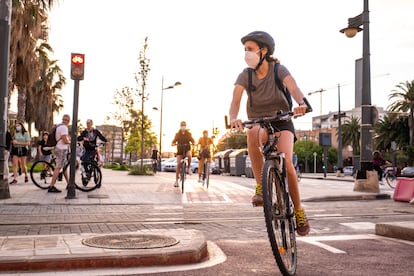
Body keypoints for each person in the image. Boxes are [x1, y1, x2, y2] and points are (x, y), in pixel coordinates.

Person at [229, 31, 311, 236]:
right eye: (245, 49)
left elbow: (294, 88)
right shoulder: (245, 75)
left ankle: (299, 211)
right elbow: (235, 101)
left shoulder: (278, 70)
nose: (247, 53)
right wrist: (233, 118)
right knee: (253, 132)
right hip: (258, 122)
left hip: (282, 121)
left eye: (250, 49)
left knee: (287, 162)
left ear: (263, 50)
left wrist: (301, 103)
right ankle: (260, 188)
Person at [48, 114, 71, 193]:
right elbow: (64, 140)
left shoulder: (59, 126)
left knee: (64, 167)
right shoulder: (64, 127)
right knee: (58, 167)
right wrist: (70, 142)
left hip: (58, 147)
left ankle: (69, 184)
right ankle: (51, 185)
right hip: (62, 149)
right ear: (68, 121)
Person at [171, 121, 195, 187]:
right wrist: (173, 143)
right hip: (180, 150)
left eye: (184, 125)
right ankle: (176, 181)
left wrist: (193, 142)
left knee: (189, 155)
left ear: (186, 126)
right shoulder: (177, 134)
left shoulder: (188, 134)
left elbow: (192, 140)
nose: (183, 127)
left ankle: (189, 168)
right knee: (178, 164)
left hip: (187, 148)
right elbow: (174, 141)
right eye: (182, 125)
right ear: (180, 126)